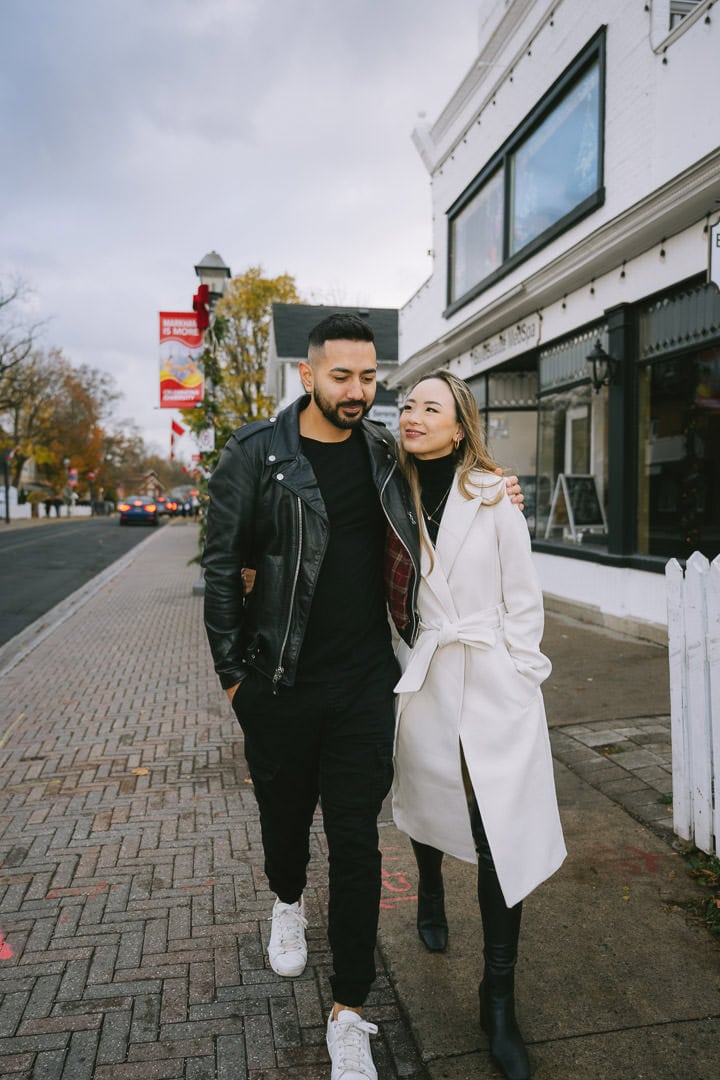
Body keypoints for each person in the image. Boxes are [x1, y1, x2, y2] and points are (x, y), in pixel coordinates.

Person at [202, 315, 523, 1080]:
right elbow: (219, 571)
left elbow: (449, 475)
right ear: (308, 374)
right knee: (285, 825)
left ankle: (349, 1010)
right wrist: (236, 682)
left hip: (364, 687)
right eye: (341, 376)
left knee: (355, 844)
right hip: (278, 685)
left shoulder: (384, 450)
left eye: (369, 377)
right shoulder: (255, 454)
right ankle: (286, 900)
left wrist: (499, 485)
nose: (357, 390)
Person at [387, 370, 566, 1080]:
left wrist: (524, 672)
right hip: (425, 665)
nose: (413, 415)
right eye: (407, 404)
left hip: (493, 673)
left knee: (501, 829)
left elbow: (524, 594)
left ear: (459, 427)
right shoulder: (387, 491)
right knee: (429, 791)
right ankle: (430, 884)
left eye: (430, 407)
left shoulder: (493, 495)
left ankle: (498, 998)